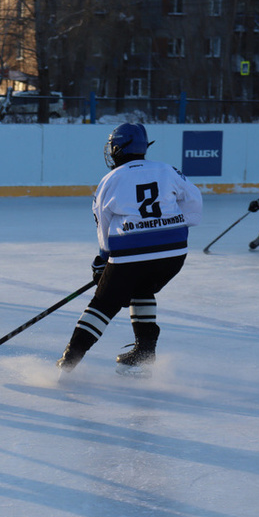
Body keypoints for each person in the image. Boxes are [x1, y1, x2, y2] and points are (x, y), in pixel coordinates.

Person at [57, 123, 203, 377]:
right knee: (142, 288)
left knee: (102, 304)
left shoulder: (111, 179)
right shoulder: (167, 170)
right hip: (173, 255)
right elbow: (194, 204)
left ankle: (69, 361)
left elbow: (102, 224)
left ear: (117, 148)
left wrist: (103, 259)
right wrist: (175, 225)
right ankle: (144, 352)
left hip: (132, 255)